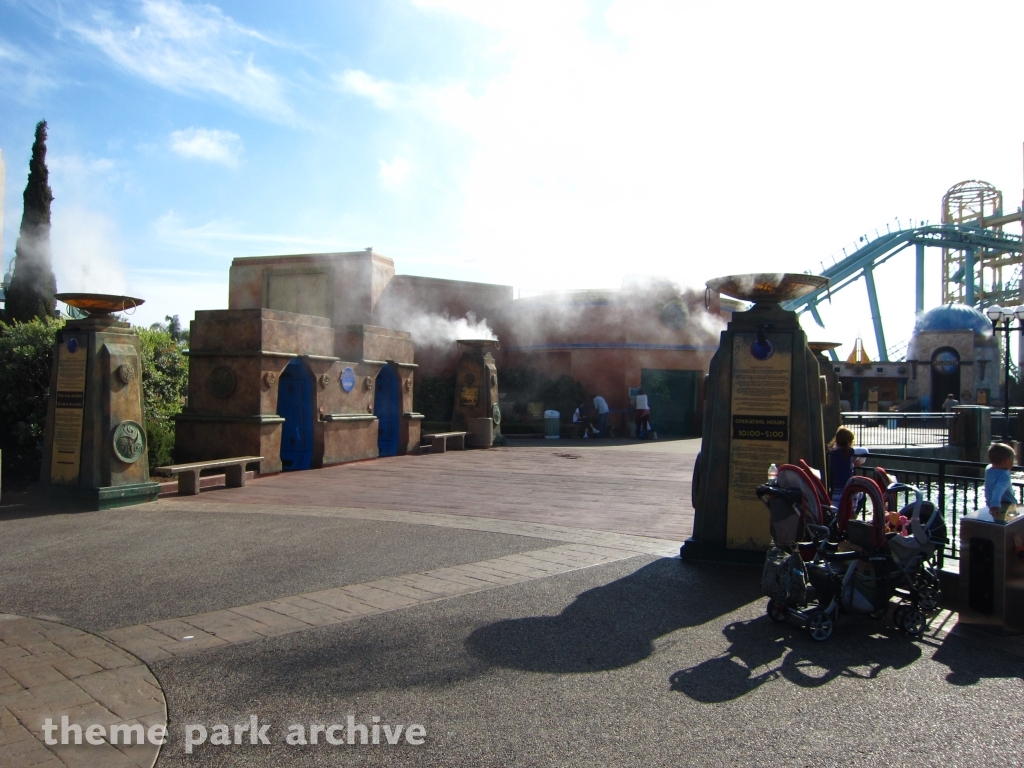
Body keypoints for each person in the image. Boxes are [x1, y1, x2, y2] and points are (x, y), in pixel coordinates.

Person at [828, 426, 868, 507]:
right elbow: (865, 451)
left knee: (838, 515)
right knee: (863, 496)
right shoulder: (849, 451)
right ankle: (854, 515)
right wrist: (859, 461)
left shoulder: (832, 453)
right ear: (850, 442)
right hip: (850, 491)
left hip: (836, 493)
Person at [984, 442, 1018, 523]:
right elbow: (998, 490)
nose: (1013, 463)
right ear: (1006, 461)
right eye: (1012, 460)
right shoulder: (1004, 474)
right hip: (1007, 504)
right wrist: (995, 505)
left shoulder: (988, 469)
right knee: (1011, 524)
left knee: (996, 524)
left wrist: (992, 504)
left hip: (989, 503)